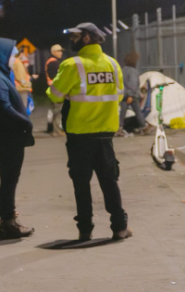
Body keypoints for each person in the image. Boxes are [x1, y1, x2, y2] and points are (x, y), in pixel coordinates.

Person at [46, 22, 131, 242]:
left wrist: (66, 94)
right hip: (105, 136)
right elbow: (119, 95)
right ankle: (120, 228)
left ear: (86, 38)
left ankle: (85, 230)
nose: (71, 41)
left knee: (81, 185)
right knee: (110, 182)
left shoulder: (72, 65)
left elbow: (54, 95)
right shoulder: (113, 64)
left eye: (74, 37)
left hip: (79, 136)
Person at [0, 38, 35, 239]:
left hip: (7, 135)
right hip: (6, 136)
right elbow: (3, 107)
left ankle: (9, 220)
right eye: (12, 55)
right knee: (9, 179)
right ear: (2, 55)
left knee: (10, 179)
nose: (14, 59)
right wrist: (24, 122)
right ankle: (7, 223)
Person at [117, 51, 151, 137]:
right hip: (132, 96)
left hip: (124, 95)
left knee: (122, 113)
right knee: (138, 112)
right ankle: (143, 127)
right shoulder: (133, 71)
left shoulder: (123, 70)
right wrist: (131, 95)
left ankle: (119, 128)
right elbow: (133, 84)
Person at [45, 44, 65, 135]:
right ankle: (56, 131)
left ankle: (52, 128)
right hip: (55, 88)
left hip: (51, 88)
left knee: (54, 110)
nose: (61, 53)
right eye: (59, 51)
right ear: (53, 52)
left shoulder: (51, 61)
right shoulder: (54, 62)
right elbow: (56, 77)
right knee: (57, 110)